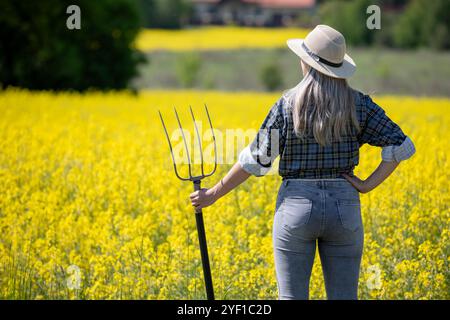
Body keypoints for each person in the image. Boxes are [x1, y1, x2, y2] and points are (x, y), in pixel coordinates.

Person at [189, 25, 415, 300]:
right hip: (344, 206)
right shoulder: (360, 105)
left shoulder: (287, 105)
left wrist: (213, 193)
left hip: (296, 206)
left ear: (306, 62)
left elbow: (256, 160)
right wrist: (368, 184)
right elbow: (401, 145)